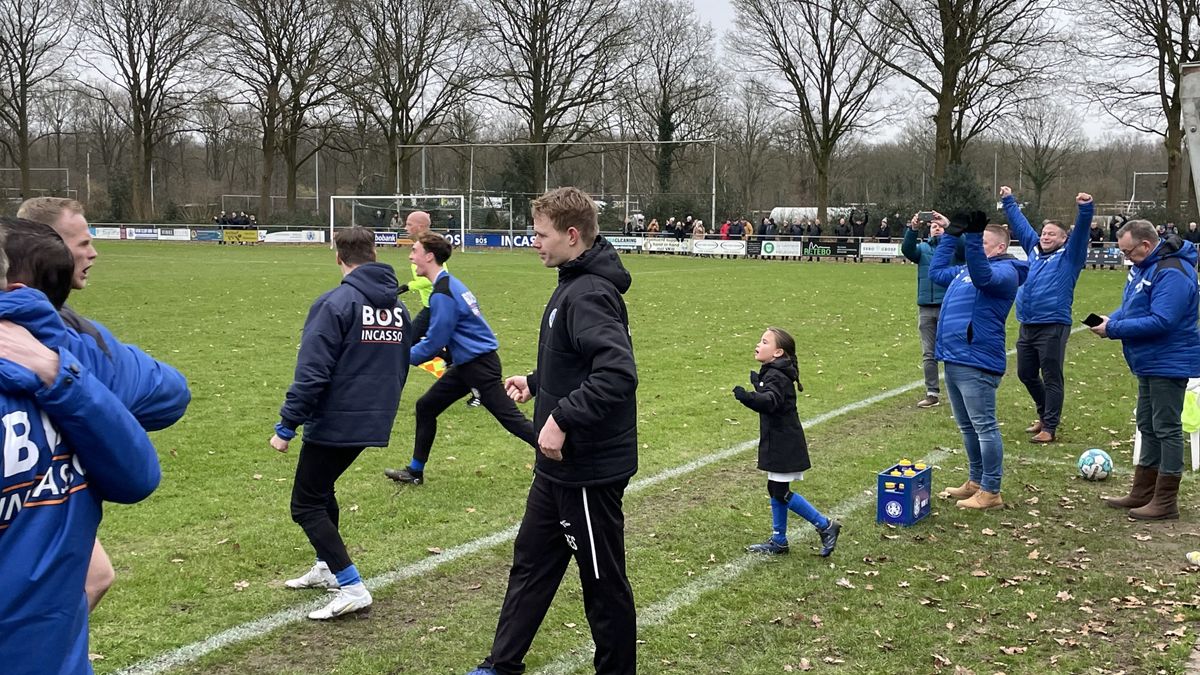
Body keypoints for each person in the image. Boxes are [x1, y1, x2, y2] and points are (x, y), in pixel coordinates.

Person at [469, 187, 637, 675]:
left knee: (603, 584)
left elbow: (616, 374)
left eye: (540, 234)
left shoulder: (588, 292)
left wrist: (560, 419)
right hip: (556, 471)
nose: (533, 242)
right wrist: (538, 381)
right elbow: (579, 361)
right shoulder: (572, 280)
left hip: (587, 468)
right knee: (532, 564)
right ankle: (502, 664)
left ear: (571, 235)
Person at [14, 199, 189, 611]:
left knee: (96, 576)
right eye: (83, 243)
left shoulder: (64, 324)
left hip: (45, 487)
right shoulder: (69, 334)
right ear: (50, 250)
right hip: (37, 492)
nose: (93, 253)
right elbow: (167, 396)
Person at [0, 248, 163, 675]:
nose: (92, 253)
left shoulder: (62, 354)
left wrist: (59, 372)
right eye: (81, 241)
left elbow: (140, 474)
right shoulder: (66, 354)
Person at [271, 226, 412, 619]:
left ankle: (351, 585)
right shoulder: (398, 308)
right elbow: (402, 362)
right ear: (374, 254)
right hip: (372, 416)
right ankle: (326, 567)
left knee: (305, 504)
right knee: (322, 489)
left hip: (337, 419)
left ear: (338, 257)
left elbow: (312, 372)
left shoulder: (335, 302)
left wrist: (287, 426)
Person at [384, 233, 536, 485]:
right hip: (468, 364)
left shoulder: (443, 292)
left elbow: (433, 342)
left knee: (512, 420)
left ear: (429, 256)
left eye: (414, 251)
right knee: (426, 407)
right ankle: (415, 472)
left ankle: (562, 456)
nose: (411, 256)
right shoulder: (450, 284)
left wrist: (398, 357)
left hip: (478, 366)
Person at [1092, 220, 1200, 520]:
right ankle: (1143, 491)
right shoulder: (1144, 267)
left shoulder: (1172, 272)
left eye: (1129, 251)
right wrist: (1109, 318)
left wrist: (1113, 329)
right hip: (1149, 359)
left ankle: (1166, 500)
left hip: (1170, 359)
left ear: (1146, 245)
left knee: (1166, 426)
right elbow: (1134, 308)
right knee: (1147, 423)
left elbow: (1163, 320)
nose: (1126, 257)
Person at [929, 212, 1028, 510]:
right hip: (954, 358)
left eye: (984, 241)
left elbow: (983, 276)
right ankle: (975, 481)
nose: (979, 244)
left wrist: (971, 237)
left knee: (984, 426)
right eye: (978, 239)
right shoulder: (964, 272)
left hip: (977, 360)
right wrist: (951, 235)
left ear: (998, 248)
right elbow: (936, 272)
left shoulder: (1006, 272)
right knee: (967, 427)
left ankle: (991, 490)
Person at [734, 327, 841, 557]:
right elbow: (773, 396)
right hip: (779, 441)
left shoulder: (777, 375)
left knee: (780, 491)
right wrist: (759, 385)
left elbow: (771, 401)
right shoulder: (774, 371)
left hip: (784, 444)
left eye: (764, 342)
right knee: (775, 488)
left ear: (778, 352)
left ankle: (825, 525)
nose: (758, 344)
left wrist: (749, 396)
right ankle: (779, 540)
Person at [1001, 187, 1094, 443]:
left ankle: (1050, 427)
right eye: (1044, 233)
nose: (1045, 236)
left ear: (1064, 239)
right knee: (1026, 374)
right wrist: (1009, 200)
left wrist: (1085, 209)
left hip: (1053, 324)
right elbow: (1021, 225)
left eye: (1052, 234)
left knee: (1052, 376)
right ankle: (1044, 414)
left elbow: (1083, 231)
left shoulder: (1070, 257)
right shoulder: (1033, 250)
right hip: (1027, 323)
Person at [403, 211, 481, 407]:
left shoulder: (429, 249)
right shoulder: (421, 247)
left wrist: (408, 287)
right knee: (414, 344)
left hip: (436, 306)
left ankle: (475, 387)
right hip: (430, 305)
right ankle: (448, 358)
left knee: (407, 344)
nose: (405, 227)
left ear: (420, 227)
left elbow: (440, 276)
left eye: (409, 224)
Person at [901, 213, 963, 409]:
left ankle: (960, 391)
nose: (936, 228)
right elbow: (907, 249)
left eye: (940, 226)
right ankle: (932, 392)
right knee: (929, 353)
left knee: (953, 351)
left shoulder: (955, 249)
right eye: (933, 226)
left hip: (949, 306)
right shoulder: (923, 249)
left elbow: (965, 247)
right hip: (926, 306)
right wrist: (912, 229)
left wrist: (950, 225)